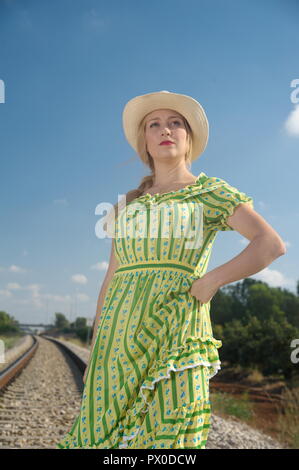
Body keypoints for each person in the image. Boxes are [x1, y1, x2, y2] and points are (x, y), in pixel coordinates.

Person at [56, 90, 286, 449]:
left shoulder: (209, 193)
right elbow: (111, 277)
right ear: (145, 141)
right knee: (105, 441)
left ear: (189, 137)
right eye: (155, 124)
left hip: (176, 331)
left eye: (176, 123)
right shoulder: (127, 205)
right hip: (118, 341)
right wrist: (97, 344)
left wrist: (211, 281)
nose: (166, 130)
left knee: (169, 440)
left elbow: (270, 244)